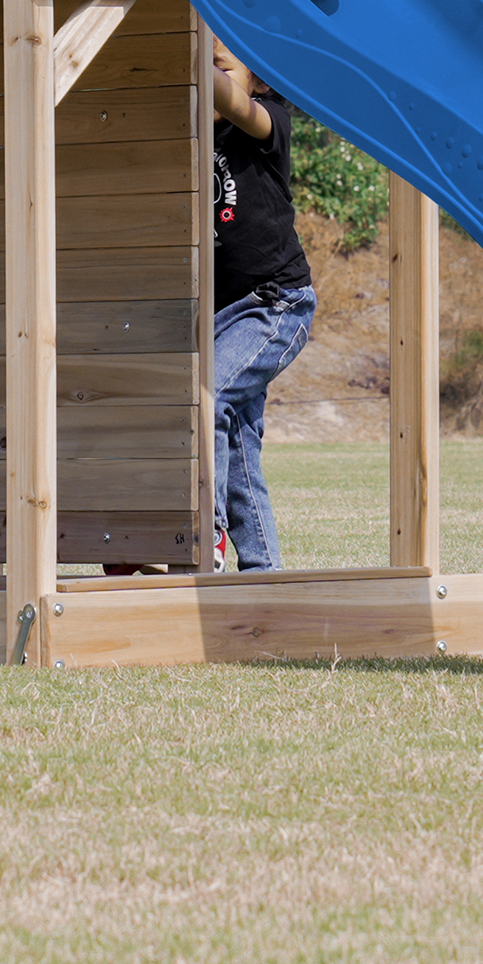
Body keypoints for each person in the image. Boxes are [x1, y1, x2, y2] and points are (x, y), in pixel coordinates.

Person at [209, 41, 318, 571]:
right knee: (237, 444)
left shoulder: (267, 122)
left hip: (277, 304)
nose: (209, 69)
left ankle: (202, 535)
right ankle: (264, 574)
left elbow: (233, 103)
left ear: (262, 81)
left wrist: (189, 58)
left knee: (205, 400)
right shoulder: (190, 131)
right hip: (223, 315)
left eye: (222, 65)